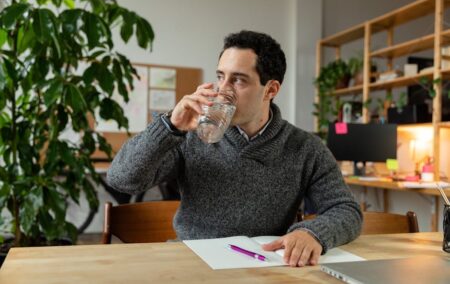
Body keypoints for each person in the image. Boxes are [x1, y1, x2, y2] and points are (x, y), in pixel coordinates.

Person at [107, 30, 362, 267]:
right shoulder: (189, 135)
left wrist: (314, 233)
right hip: (193, 261)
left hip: (264, 264)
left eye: (238, 80)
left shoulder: (306, 148)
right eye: (220, 76)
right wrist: (168, 127)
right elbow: (121, 179)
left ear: (270, 90)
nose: (223, 90)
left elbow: (346, 209)